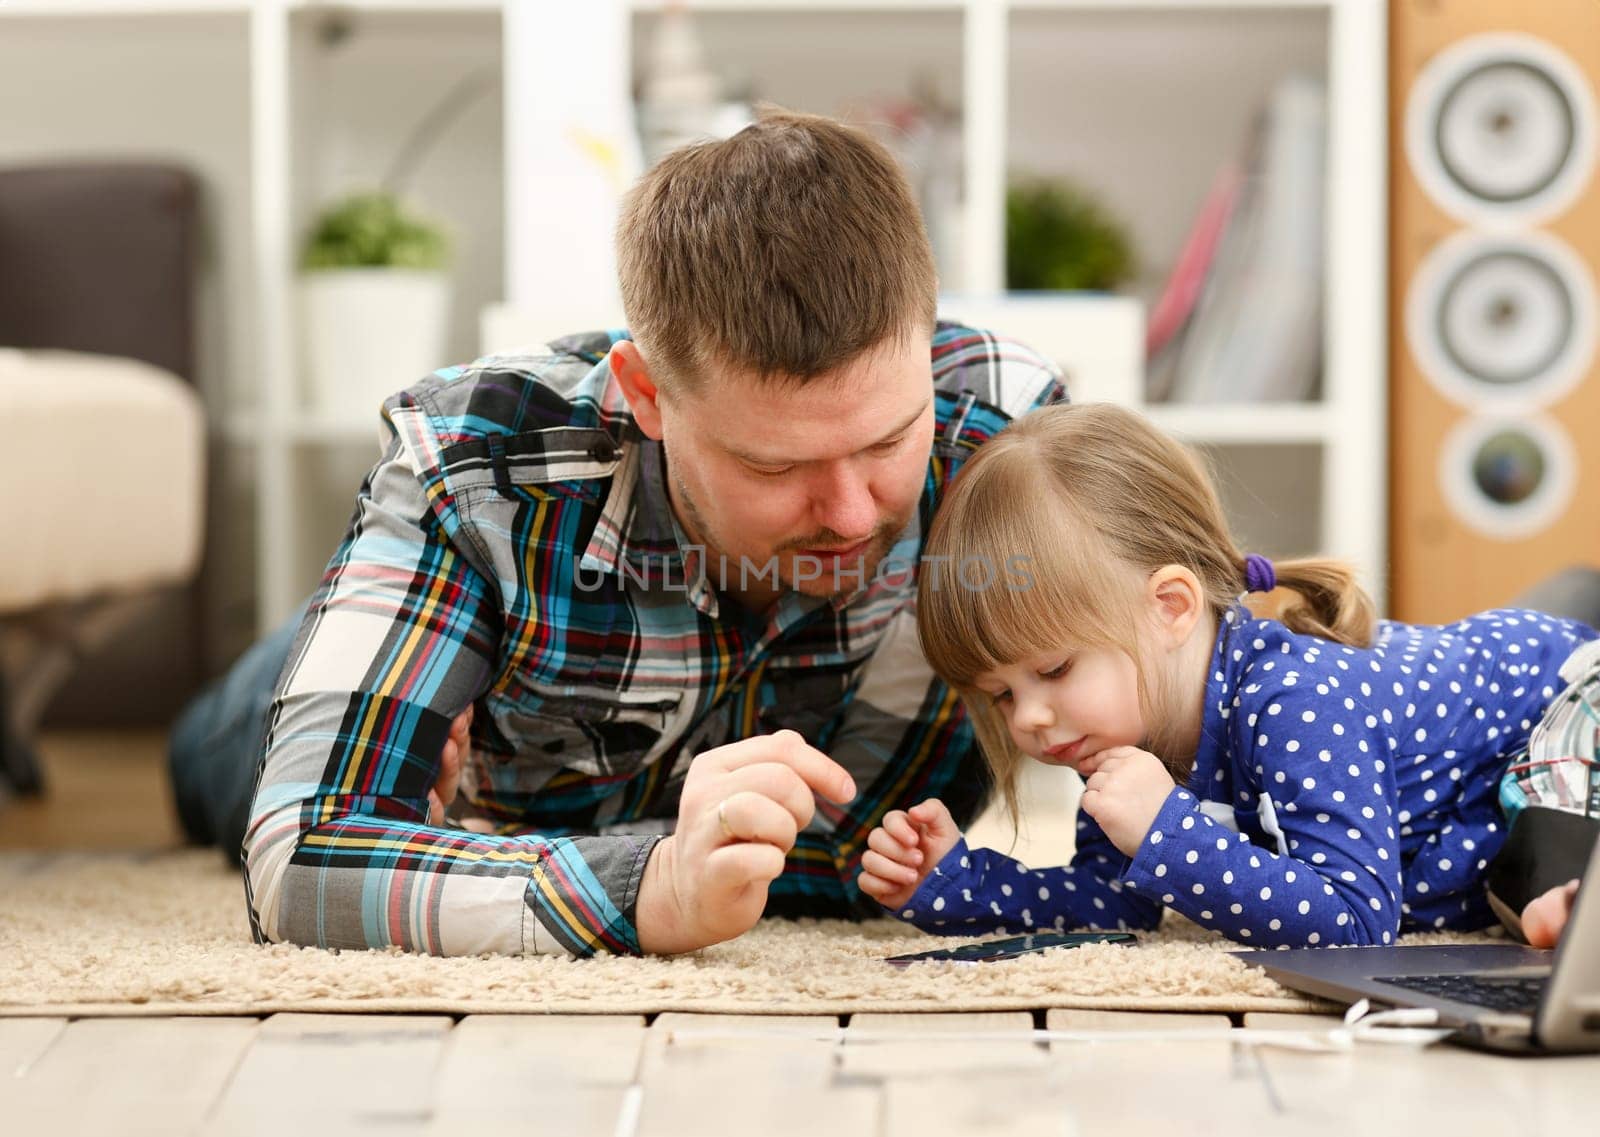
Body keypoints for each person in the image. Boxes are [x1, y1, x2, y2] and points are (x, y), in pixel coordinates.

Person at [169, 108, 1069, 958]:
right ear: (646, 395)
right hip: (278, 709)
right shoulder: (480, 467)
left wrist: (476, 867)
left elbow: (1188, 668)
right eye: (773, 465)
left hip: (528, 822)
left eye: (885, 442)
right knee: (227, 747)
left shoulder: (1012, 439)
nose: (850, 512)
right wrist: (653, 886)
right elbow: (303, 857)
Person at [858, 402, 1598, 949]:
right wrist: (960, 881)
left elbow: (1355, 919)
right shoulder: (1124, 742)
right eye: (1002, 693)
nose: (1029, 720)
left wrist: (1169, 831)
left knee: (1544, 844)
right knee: (1528, 871)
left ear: (1172, 607)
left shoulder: (1293, 700)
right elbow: (1119, 903)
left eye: (1053, 669)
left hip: (1563, 703)